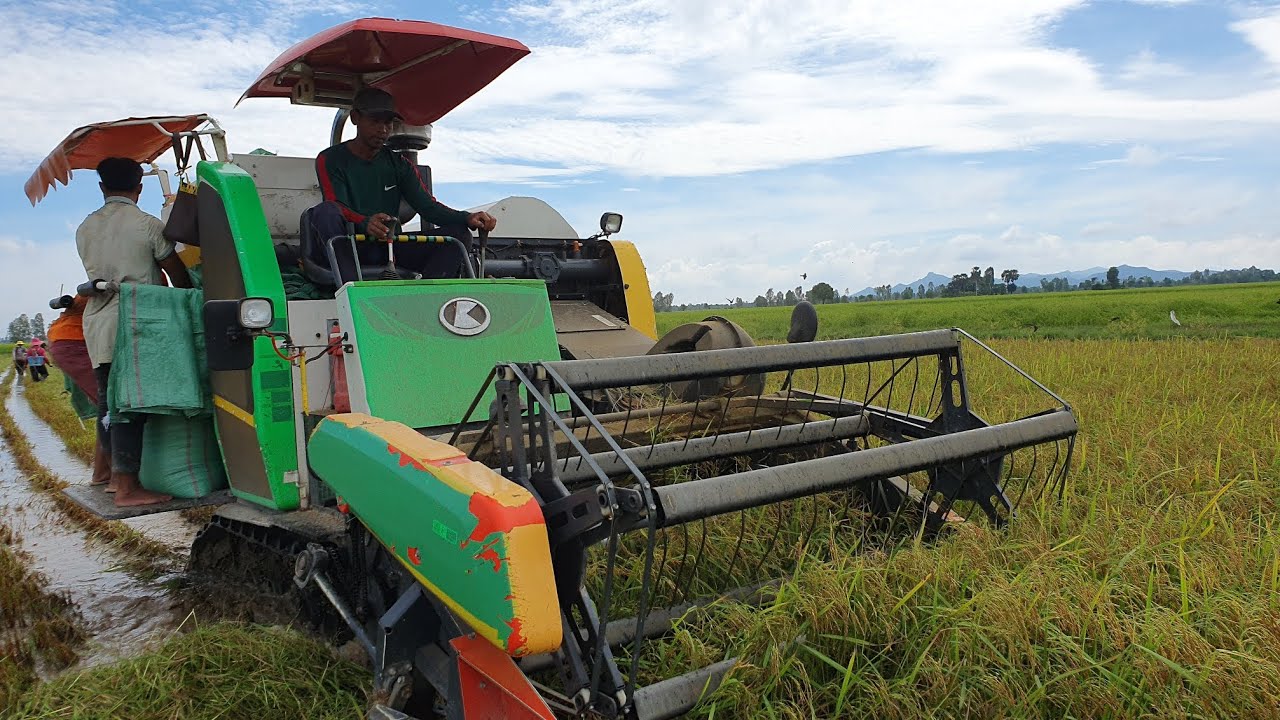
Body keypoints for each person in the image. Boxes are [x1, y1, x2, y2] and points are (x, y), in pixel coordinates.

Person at [76, 157, 193, 507]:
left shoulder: (85, 227)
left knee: (108, 401)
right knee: (131, 404)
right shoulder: (147, 225)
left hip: (98, 323)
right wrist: (192, 294)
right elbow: (176, 272)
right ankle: (127, 489)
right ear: (139, 188)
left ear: (102, 187)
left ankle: (113, 479)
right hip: (134, 323)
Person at [305, 87, 498, 282]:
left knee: (459, 235)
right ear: (355, 118)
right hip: (350, 246)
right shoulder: (330, 159)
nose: (383, 129)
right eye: (375, 121)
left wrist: (467, 218)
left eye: (388, 123)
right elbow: (335, 204)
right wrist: (365, 222)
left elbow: (429, 208)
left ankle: (426, 296)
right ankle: (349, 288)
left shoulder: (400, 165)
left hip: (390, 248)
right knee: (324, 211)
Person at [48, 295, 111, 486]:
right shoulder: (105, 285)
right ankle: (120, 479)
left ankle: (103, 473)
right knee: (113, 407)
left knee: (107, 408)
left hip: (72, 341)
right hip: (75, 342)